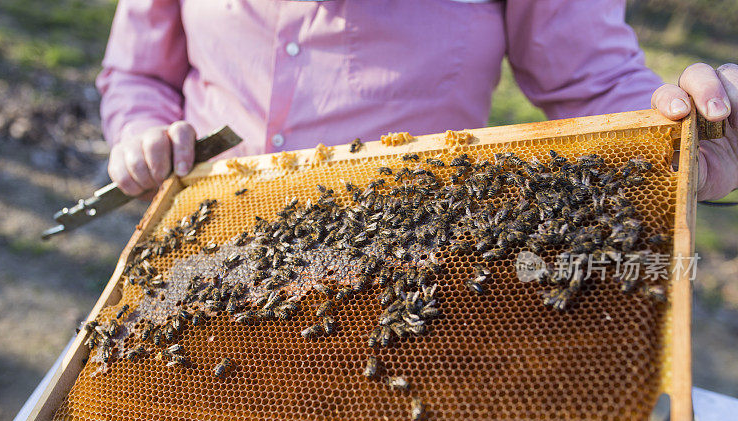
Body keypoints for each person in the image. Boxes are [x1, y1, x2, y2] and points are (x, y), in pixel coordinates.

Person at [98, 1, 736, 201]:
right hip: (200, 237)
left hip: (403, 271)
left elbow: (596, 82)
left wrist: (689, 133)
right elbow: (139, 74)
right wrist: (144, 132)